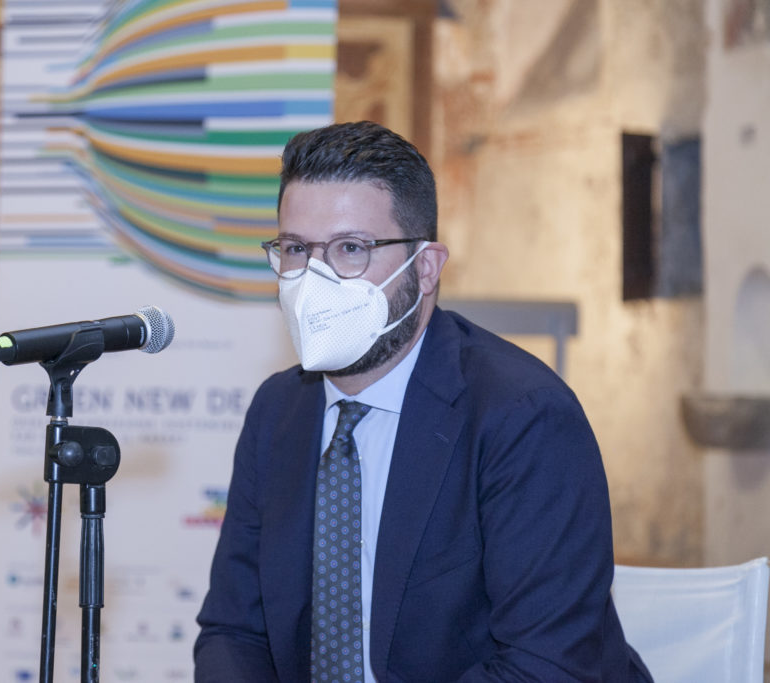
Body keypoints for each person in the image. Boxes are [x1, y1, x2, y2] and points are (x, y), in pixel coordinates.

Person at [194, 121, 652, 682]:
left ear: (427, 268)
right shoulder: (277, 411)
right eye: (295, 249)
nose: (313, 279)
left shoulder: (522, 415)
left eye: (351, 249)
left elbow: (546, 665)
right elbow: (234, 632)